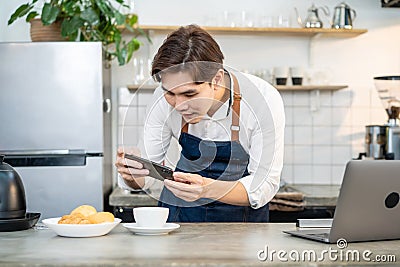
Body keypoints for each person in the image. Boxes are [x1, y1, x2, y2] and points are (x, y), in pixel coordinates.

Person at [115, 24, 285, 223]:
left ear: (216, 79)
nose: (179, 105)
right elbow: (145, 177)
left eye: (189, 94)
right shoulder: (161, 100)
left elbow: (264, 186)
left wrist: (207, 189)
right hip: (180, 217)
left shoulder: (262, 99)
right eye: (170, 93)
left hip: (241, 222)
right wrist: (131, 174)